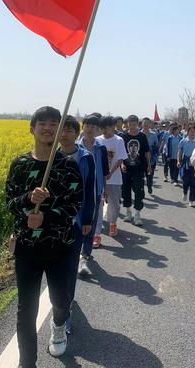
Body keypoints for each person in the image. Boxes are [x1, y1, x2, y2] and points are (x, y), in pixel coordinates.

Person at [6, 107, 91, 366]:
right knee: (26, 310)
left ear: (60, 132)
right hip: (27, 248)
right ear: (32, 128)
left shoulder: (68, 166)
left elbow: (75, 204)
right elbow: (9, 202)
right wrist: (28, 199)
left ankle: (58, 324)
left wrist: (46, 216)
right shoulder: (20, 165)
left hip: (60, 247)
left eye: (55, 124)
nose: (48, 128)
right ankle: (27, 362)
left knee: (61, 300)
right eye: (42, 123)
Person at [58, 115, 96, 335]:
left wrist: (88, 220)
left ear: (77, 132)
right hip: (52, 223)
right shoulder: (50, 156)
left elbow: (89, 189)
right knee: (56, 268)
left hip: (77, 220)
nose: (65, 134)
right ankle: (61, 301)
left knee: (71, 268)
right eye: (61, 130)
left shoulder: (86, 157)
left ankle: (65, 312)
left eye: (70, 130)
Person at [77, 115, 109, 273]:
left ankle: (84, 257)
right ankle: (74, 253)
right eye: (86, 125)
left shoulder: (101, 148)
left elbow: (104, 171)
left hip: (95, 192)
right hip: (76, 192)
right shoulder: (75, 146)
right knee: (75, 223)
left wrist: (105, 189)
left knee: (90, 223)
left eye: (92, 126)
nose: (89, 128)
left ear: (98, 130)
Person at [96, 116, 128, 237]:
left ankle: (113, 223)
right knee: (98, 204)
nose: (104, 130)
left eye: (107, 128)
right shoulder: (97, 140)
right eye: (102, 128)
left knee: (114, 203)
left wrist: (110, 172)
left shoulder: (118, 140)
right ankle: (97, 231)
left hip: (114, 177)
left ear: (112, 127)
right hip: (99, 178)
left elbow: (120, 158)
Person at [121, 115, 151, 226]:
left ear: (137, 124)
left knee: (139, 190)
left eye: (134, 124)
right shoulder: (123, 137)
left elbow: (147, 152)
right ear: (127, 124)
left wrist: (149, 165)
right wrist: (122, 164)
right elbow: (121, 153)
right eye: (130, 124)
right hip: (126, 169)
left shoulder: (142, 136)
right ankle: (128, 212)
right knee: (126, 190)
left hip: (139, 169)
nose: (132, 126)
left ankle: (137, 214)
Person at [177, 124, 195, 206]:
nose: (192, 133)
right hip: (185, 163)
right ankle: (185, 192)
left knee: (193, 182)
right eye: (190, 131)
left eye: (194, 131)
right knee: (185, 180)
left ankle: (191, 200)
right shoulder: (183, 141)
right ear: (188, 132)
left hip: (194, 164)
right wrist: (178, 161)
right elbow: (180, 152)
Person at [142, 117, 159, 194]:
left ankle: (149, 186)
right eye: (144, 123)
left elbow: (156, 147)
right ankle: (141, 190)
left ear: (149, 125)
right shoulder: (139, 134)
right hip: (141, 158)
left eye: (147, 123)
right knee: (140, 176)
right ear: (142, 124)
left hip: (151, 158)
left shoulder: (154, 135)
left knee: (150, 175)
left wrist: (155, 158)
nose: (145, 124)